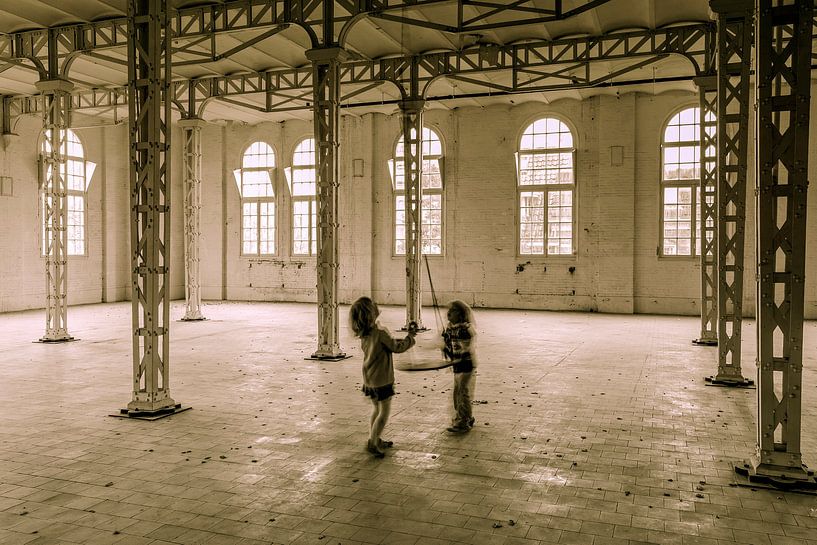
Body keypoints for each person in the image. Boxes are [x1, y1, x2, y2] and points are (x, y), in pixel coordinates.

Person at [349, 297, 417, 458]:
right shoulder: (379, 333)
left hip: (370, 379)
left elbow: (386, 344)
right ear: (371, 314)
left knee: (376, 409)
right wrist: (410, 337)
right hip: (383, 380)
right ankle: (374, 442)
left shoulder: (364, 334)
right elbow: (396, 347)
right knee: (384, 412)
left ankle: (374, 437)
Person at [442, 300, 477, 434]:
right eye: (448, 311)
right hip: (456, 364)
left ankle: (464, 421)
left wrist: (457, 352)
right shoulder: (450, 327)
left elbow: (468, 345)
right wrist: (444, 345)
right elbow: (448, 345)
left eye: (453, 311)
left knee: (462, 392)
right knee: (457, 393)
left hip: (466, 364)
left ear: (461, 314)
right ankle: (465, 416)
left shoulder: (465, 328)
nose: (449, 313)